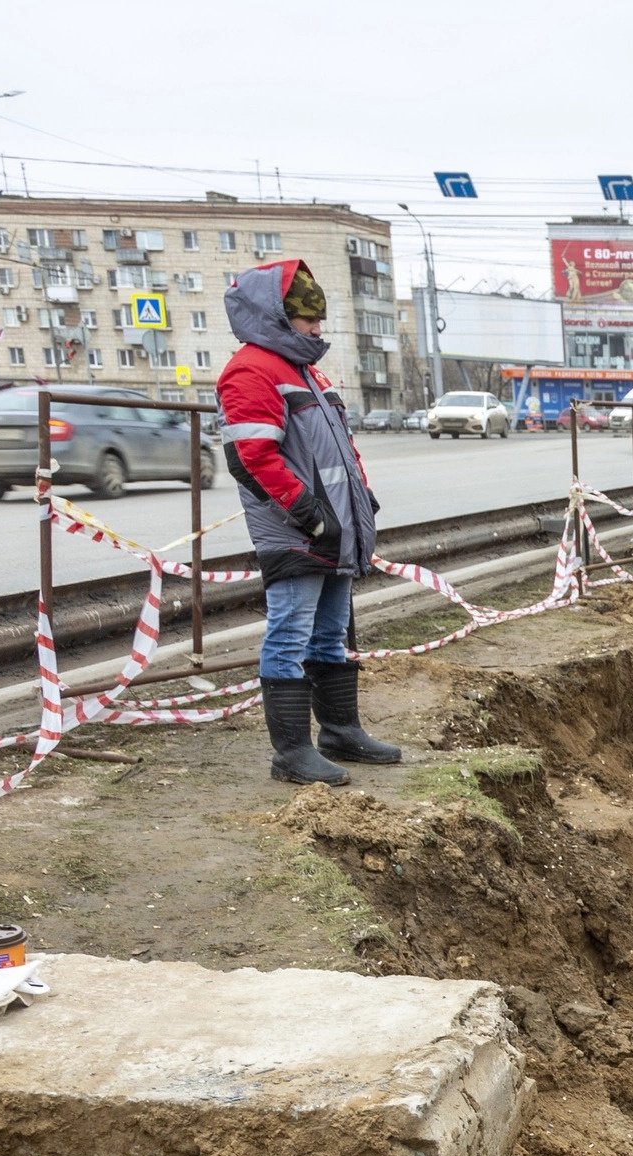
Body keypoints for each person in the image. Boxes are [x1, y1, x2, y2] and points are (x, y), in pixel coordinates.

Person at [218, 258, 397, 786]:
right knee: (289, 635)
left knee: (330, 636)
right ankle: (291, 753)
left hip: (334, 528)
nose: (318, 329)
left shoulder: (303, 370)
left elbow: (338, 450)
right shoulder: (251, 369)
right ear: (274, 316)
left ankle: (341, 731)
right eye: (307, 319)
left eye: (319, 318)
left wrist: (361, 499)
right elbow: (253, 458)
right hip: (299, 531)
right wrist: (310, 516)